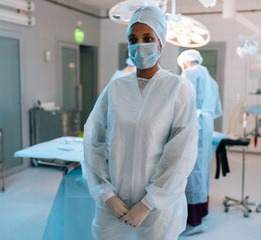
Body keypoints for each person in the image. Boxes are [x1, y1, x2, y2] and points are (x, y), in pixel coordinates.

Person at [82, 6, 198, 240]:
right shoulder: (115, 89)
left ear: (160, 43)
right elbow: (94, 143)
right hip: (114, 206)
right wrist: (106, 195)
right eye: (133, 39)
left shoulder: (178, 89)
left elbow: (181, 152)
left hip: (157, 211)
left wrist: (149, 202)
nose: (140, 45)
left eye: (148, 38)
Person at [177, 49, 223, 235]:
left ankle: (194, 221)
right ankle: (202, 210)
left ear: (185, 63)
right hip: (207, 125)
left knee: (192, 170)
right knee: (202, 169)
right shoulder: (211, 79)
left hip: (194, 125)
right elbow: (218, 109)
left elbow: (182, 101)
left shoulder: (189, 73)